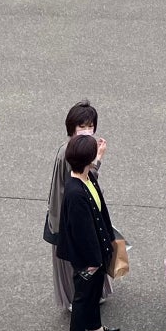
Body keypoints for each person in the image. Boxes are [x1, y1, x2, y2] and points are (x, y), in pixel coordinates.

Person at [47, 102, 116, 310]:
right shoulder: (71, 153)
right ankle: (76, 301)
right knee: (79, 258)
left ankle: (90, 296)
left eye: (90, 126)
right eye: (82, 127)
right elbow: (82, 182)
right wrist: (98, 161)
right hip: (69, 216)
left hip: (73, 211)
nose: (87, 131)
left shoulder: (77, 148)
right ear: (72, 128)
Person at [58, 133, 120, 331]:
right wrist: (94, 262)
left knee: (94, 293)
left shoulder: (86, 176)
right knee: (83, 297)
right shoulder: (75, 192)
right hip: (88, 259)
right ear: (86, 159)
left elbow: (99, 211)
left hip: (97, 253)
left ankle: (93, 327)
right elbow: (82, 233)